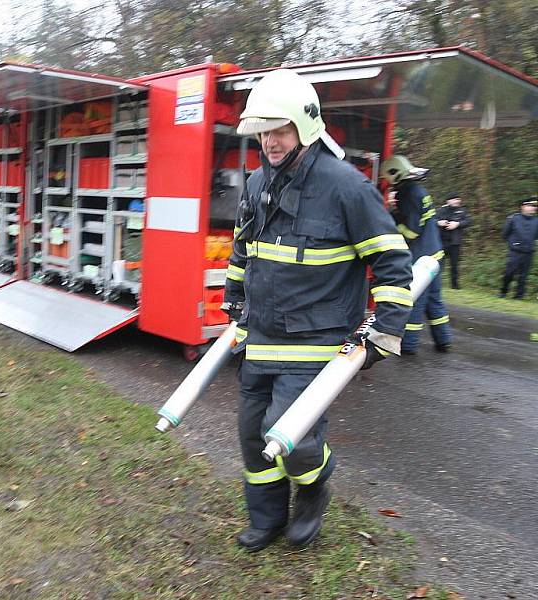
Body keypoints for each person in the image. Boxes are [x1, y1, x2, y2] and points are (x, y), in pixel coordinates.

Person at [222, 69, 413, 552]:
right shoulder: (257, 183)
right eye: (264, 130)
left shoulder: (347, 188)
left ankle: (312, 489)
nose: (270, 140)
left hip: (317, 339)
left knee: (292, 437)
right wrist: (234, 301)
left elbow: (392, 262)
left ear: (305, 127)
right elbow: (243, 250)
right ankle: (265, 520)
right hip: (261, 333)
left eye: (279, 129)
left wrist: (385, 332)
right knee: (252, 436)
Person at [381, 155, 452, 354]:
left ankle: (409, 344)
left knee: (414, 299)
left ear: (394, 174)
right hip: (434, 253)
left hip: (421, 258)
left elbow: (412, 231)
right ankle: (443, 340)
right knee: (433, 300)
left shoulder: (408, 193)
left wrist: (391, 220)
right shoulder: (418, 190)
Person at [499, 198, 538, 299]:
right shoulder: (513, 218)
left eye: (534, 206)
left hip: (529, 252)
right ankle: (503, 292)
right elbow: (504, 234)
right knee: (509, 273)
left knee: (523, 276)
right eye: (530, 206)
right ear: (523, 207)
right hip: (515, 251)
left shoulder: (536, 221)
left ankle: (519, 296)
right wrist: (513, 243)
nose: (533, 208)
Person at [436, 192, 471, 289]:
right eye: (455, 199)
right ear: (448, 200)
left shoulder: (462, 211)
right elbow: (431, 221)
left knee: (455, 265)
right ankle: (436, 283)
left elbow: (468, 221)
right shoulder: (440, 210)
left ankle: (454, 285)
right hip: (441, 241)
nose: (457, 201)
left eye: (458, 199)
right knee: (439, 264)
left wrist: (457, 224)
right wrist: (439, 223)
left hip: (455, 242)